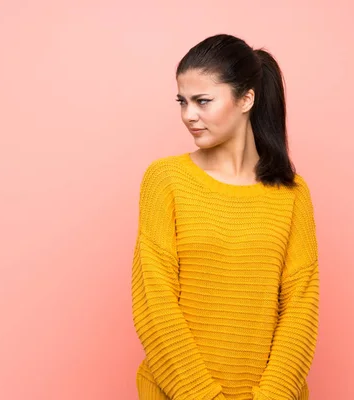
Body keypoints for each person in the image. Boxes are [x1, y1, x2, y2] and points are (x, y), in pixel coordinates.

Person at [131, 33, 319, 400]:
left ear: (246, 98)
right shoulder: (165, 180)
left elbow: (301, 307)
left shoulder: (292, 194)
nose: (189, 115)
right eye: (182, 101)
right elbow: (154, 302)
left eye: (203, 101)